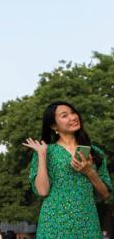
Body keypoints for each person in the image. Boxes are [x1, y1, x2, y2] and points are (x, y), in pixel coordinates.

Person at [26, 101, 112, 238]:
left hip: (87, 222)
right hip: (54, 224)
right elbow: (42, 191)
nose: (73, 117)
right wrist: (42, 155)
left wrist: (90, 172)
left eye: (73, 113)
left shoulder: (95, 153)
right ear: (54, 125)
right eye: (65, 115)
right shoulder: (45, 152)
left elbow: (105, 194)